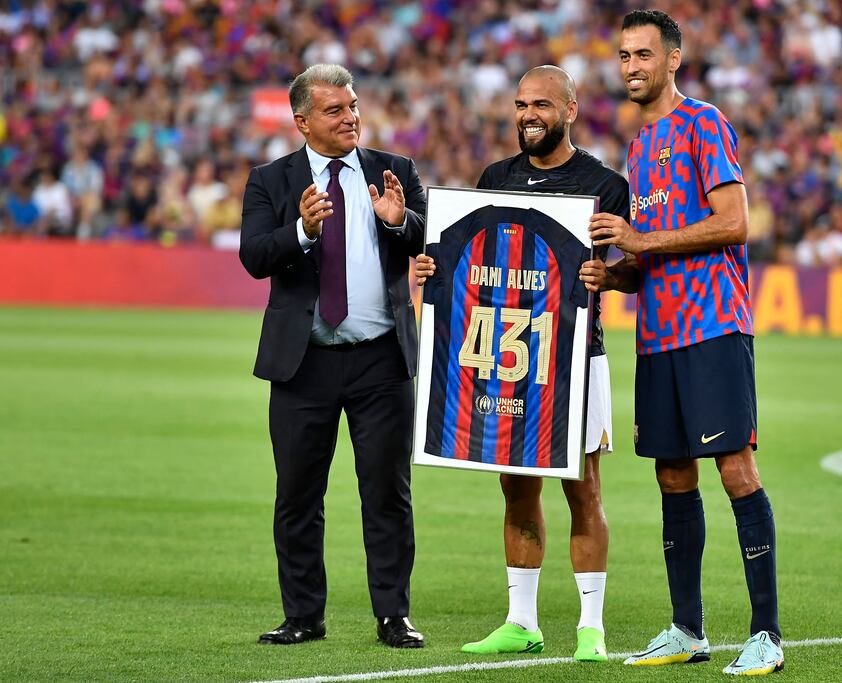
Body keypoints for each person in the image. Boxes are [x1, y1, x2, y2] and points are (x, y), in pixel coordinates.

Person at [583, 10, 784, 675]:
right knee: (672, 474)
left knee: (735, 469)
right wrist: (617, 274)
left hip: (714, 325)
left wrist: (639, 240)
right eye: (623, 55)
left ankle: (766, 635)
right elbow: (650, 250)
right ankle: (686, 628)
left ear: (673, 59)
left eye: (643, 54)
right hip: (657, 333)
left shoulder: (704, 124)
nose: (631, 66)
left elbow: (733, 222)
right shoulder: (639, 149)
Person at [415, 65, 629, 663]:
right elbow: (475, 258)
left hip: (575, 358)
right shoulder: (494, 178)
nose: (527, 114)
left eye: (540, 104)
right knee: (516, 487)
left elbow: (634, 267)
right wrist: (438, 271)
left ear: (570, 110)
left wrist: (608, 273)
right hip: (509, 357)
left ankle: (591, 627)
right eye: (519, 105)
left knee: (582, 488)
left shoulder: (604, 184)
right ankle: (521, 621)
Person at [239, 63, 426, 649]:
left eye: (352, 106)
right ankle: (302, 616)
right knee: (297, 494)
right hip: (305, 362)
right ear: (302, 121)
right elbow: (254, 255)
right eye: (334, 110)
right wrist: (299, 230)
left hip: (380, 359)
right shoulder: (271, 181)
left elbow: (428, 235)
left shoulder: (394, 171)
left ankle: (393, 615)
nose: (351, 118)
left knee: (387, 494)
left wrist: (400, 223)